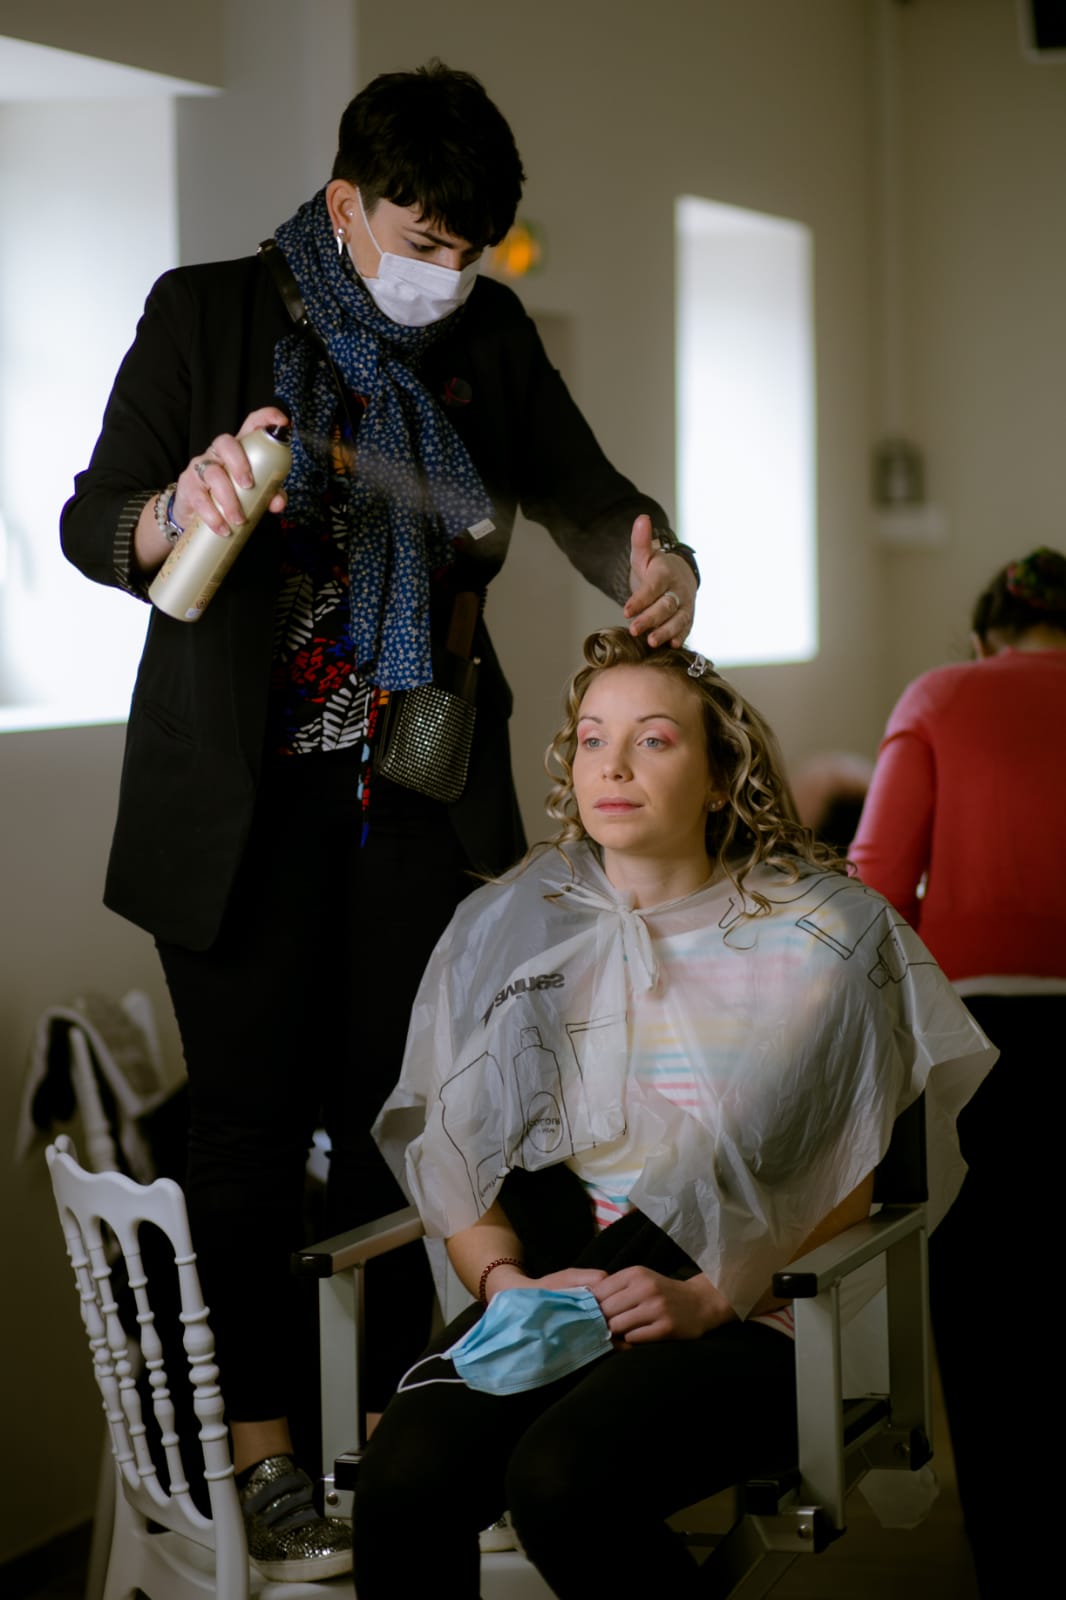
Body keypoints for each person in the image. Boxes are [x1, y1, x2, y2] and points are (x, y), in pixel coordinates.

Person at [59, 63, 699, 1580]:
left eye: (468, 249)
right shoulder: (204, 311)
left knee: (416, 1126)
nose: (446, 274)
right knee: (246, 1128)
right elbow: (98, 519)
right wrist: (175, 509)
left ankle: (401, 1428)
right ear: (344, 204)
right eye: (422, 238)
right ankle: (269, 1454)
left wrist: (649, 558)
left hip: (412, 796)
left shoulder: (484, 335)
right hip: (235, 806)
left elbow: (578, 487)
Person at [357, 627, 995, 1599]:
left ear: (718, 771)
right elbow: (459, 1166)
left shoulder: (815, 936)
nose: (614, 764)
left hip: (750, 1309)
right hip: (552, 1289)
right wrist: (503, 1285)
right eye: (592, 737)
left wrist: (706, 1295)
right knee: (403, 1477)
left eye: (653, 739)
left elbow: (841, 1181)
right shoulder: (512, 926)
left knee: (560, 1478)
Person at [850, 546, 1066, 1598]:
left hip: (988, 1029)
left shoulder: (940, 693)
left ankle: (1010, 1540)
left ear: (985, 636)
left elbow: (877, 885)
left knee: (990, 1259)